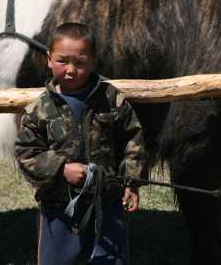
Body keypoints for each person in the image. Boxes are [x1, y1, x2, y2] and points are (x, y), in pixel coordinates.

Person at [14, 22, 147, 265]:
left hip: (107, 202)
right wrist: (61, 169)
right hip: (58, 207)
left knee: (110, 259)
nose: (71, 70)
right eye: (62, 61)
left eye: (80, 62)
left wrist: (131, 182)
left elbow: (133, 139)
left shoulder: (111, 99)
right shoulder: (40, 109)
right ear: (49, 59)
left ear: (93, 61)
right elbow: (25, 152)